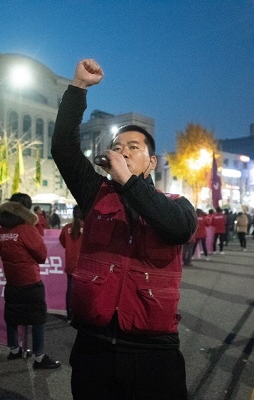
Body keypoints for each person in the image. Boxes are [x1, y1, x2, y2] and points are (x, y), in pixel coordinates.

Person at [52, 59, 196, 400]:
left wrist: (130, 182)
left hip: (153, 351)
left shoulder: (177, 203)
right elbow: (63, 148)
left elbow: (177, 229)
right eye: (117, 147)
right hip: (93, 346)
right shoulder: (95, 193)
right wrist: (79, 87)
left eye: (134, 147)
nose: (123, 151)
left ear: (152, 162)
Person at [0, 193, 61, 369]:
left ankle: (14, 349)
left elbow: (0, 252)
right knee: (37, 318)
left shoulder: (2, 230)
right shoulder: (27, 230)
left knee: (12, 316)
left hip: (11, 280)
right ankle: (39, 357)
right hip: (30, 280)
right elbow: (41, 255)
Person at [58, 205, 84, 320]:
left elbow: (63, 242)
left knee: (70, 290)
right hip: (84, 266)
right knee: (83, 291)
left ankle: (70, 315)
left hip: (70, 264)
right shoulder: (89, 227)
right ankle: (81, 316)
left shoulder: (66, 228)